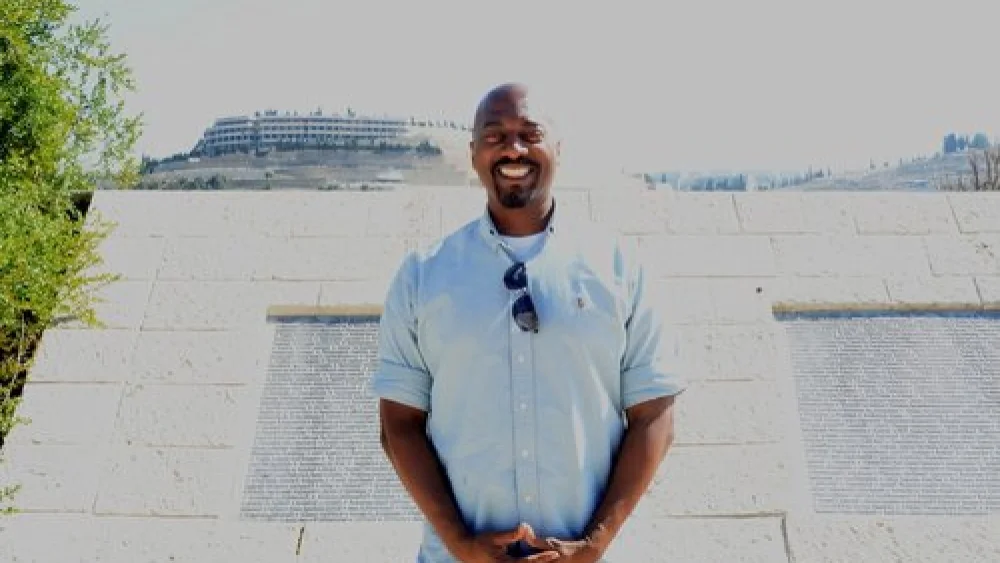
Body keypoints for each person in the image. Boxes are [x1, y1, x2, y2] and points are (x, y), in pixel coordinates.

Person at [372, 82, 685, 562]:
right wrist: (460, 544)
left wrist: (595, 543)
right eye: (494, 136)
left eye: (529, 133)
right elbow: (398, 425)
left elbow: (654, 415)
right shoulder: (423, 276)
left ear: (557, 147)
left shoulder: (620, 267)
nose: (513, 149)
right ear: (474, 152)